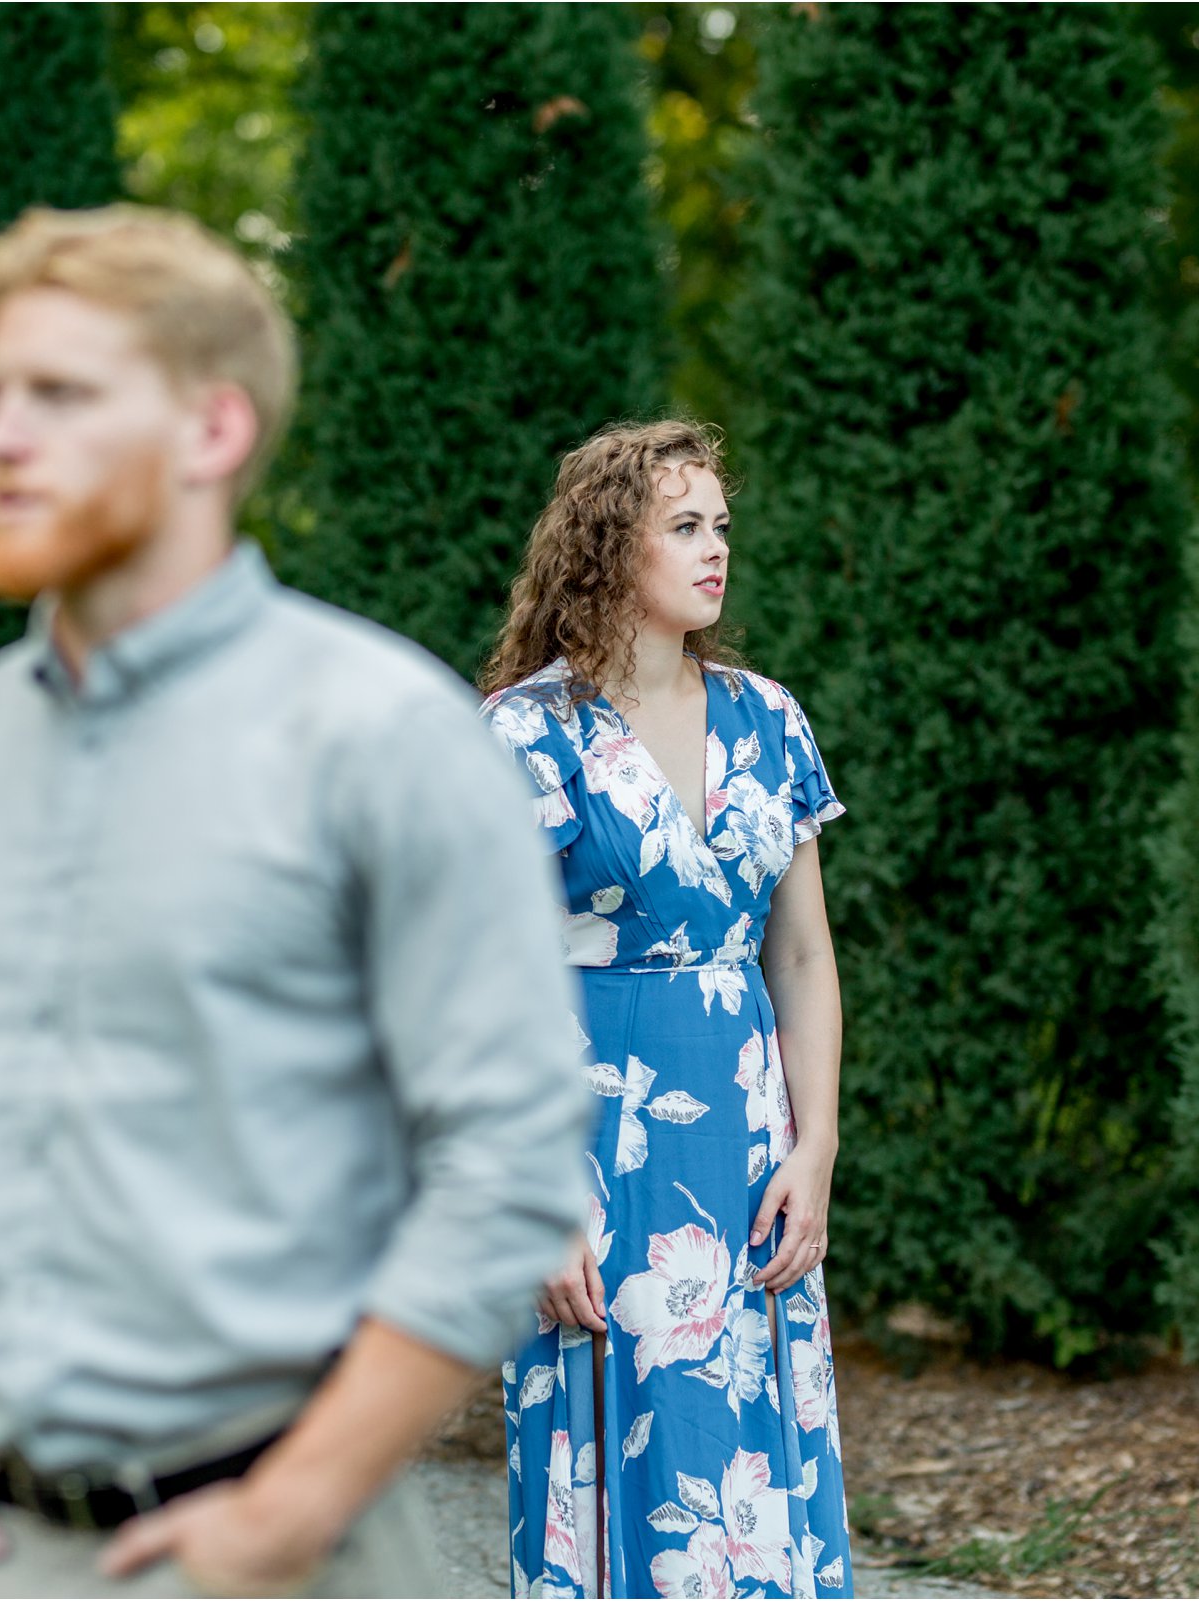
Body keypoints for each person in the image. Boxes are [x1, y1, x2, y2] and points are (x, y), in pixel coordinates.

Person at [0, 203, 593, 1600]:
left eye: (56, 393)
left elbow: (508, 1167)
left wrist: (288, 1511)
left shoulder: (383, 738)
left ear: (211, 432)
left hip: (274, 1555)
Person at [480, 420, 852, 1598]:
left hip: (746, 1141)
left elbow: (797, 954)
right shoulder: (522, 733)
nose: (715, 549)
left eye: (720, 525)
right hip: (594, 1144)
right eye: (683, 526)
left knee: (749, 1455)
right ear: (605, 546)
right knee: (617, 1456)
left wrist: (817, 1147)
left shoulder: (766, 717)